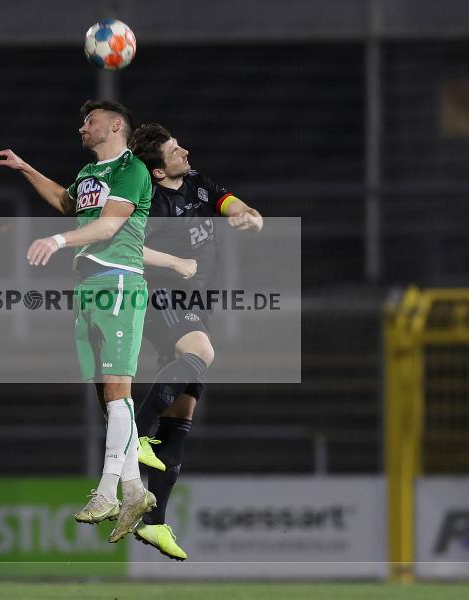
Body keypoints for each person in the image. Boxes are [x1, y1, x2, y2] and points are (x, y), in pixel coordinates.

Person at [0, 100, 159, 543]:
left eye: (91, 120)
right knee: (108, 396)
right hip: (88, 286)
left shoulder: (131, 169)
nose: (82, 126)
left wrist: (59, 239)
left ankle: (107, 491)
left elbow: (107, 228)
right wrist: (26, 168)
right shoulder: (88, 176)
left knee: (118, 387)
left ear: (116, 125)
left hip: (119, 280)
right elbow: (66, 201)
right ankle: (135, 488)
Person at [130, 123, 263, 560]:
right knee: (202, 351)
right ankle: (133, 437)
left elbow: (231, 203)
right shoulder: (146, 200)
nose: (184, 151)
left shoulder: (199, 184)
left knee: (183, 413)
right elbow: (125, 246)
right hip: (160, 297)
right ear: (155, 169)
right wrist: (173, 261)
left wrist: (246, 214)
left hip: (196, 306)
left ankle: (155, 523)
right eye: (173, 150)